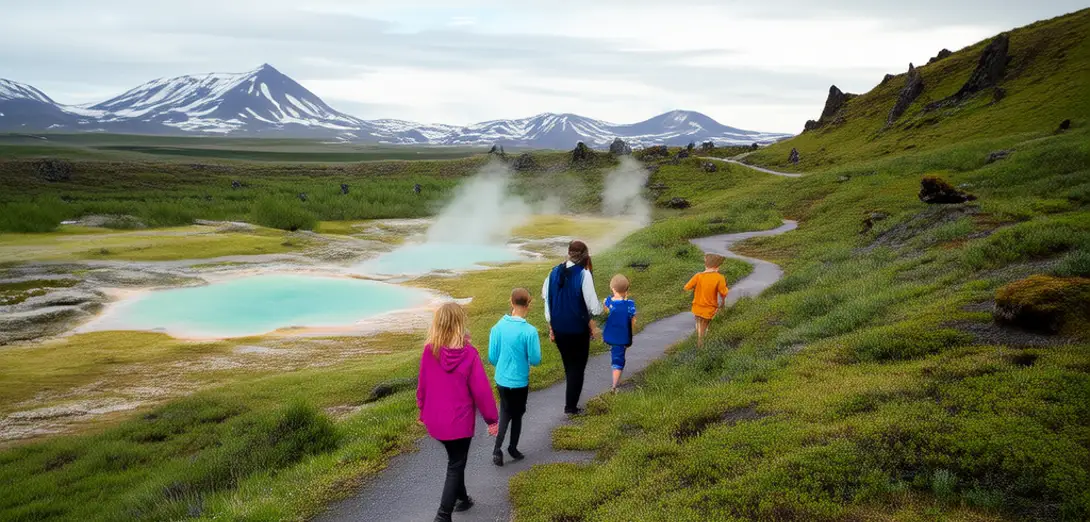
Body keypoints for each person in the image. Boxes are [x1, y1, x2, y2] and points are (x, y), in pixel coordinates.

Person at [416, 302, 499, 522]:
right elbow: (481, 391)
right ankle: (443, 516)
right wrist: (492, 419)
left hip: (435, 420)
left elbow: (422, 385)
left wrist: (422, 410)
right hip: (459, 423)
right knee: (456, 464)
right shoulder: (469, 354)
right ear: (460, 323)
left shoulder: (429, 351)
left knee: (455, 459)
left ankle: (462, 498)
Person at [542, 240, 603, 415]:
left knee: (569, 365)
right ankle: (570, 407)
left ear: (568, 253)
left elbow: (546, 298)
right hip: (577, 329)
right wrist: (602, 308)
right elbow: (594, 307)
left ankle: (571, 402)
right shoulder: (584, 274)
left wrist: (551, 324)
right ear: (585, 255)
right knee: (577, 367)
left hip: (559, 328)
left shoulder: (553, 272)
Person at [487, 288, 542, 466]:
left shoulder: (497, 328)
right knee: (517, 413)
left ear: (511, 302)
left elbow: (492, 357)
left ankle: (498, 449)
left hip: (502, 379)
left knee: (505, 411)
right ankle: (512, 447)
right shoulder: (530, 331)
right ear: (528, 304)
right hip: (520, 381)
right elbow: (536, 359)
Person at [683, 253, 729, 347]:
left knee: (699, 322)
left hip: (697, 305)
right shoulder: (719, 277)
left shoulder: (698, 275)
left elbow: (687, 287)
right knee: (705, 325)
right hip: (709, 307)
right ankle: (701, 344)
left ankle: (699, 339)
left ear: (706, 264)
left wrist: (697, 287)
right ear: (718, 266)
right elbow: (723, 292)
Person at [602, 274, 637, 392]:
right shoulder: (629, 304)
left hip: (609, 335)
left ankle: (617, 380)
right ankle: (614, 386)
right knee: (618, 360)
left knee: (618, 353)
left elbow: (606, 311)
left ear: (612, 288)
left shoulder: (608, 302)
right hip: (622, 337)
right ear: (627, 290)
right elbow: (633, 320)